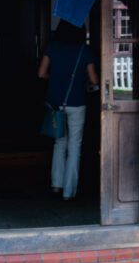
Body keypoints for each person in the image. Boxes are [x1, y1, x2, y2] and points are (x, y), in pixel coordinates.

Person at [37, 22, 98, 201]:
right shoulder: (85, 50)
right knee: (74, 145)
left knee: (59, 143)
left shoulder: (53, 47)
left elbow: (41, 73)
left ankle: (56, 184)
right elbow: (94, 79)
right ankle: (69, 191)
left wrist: (55, 78)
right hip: (77, 101)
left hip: (56, 101)